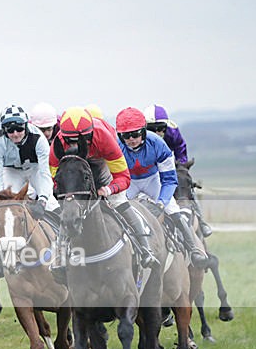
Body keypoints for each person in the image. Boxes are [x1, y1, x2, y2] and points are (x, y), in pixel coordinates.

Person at [49, 106, 159, 268]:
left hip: (102, 162)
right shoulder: (57, 146)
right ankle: (60, 254)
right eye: (70, 140)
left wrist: (109, 189)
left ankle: (145, 249)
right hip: (74, 166)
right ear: (63, 136)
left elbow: (123, 177)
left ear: (91, 132)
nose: (77, 143)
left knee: (117, 200)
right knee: (68, 207)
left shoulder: (104, 138)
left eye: (84, 138)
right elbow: (56, 180)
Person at [116, 107, 208, 268]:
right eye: (126, 135)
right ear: (119, 135)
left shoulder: (158, 144)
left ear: (143, 131)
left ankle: (194, 250)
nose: (131, 139)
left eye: (135, 134)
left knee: (173, 209)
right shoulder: (116, 147)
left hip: (153, 180)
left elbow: (170, 180)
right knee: (116, 208)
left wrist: (162, 201)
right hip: (128, 181)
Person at [0, 104, 60, 278]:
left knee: (52, 204)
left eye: (19, 129)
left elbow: (44, 173)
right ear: (4, 131)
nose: (15, 134)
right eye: (10, 130)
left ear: (26, 126)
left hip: (35, 169)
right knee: (7, 213)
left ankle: (62, 251)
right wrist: (2, 200)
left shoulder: (38, 138)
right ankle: (0, 261)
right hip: (11, 171)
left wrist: (42, 200)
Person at [144, 103, 212, 237]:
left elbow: (181, 148)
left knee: (184, 184)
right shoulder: (139, 135)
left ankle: (201, 220)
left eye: (161, 128)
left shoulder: (172, 131)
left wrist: (180, 167)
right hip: (148, 166)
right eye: (153, 129)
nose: (158, 132)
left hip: (170, 163)